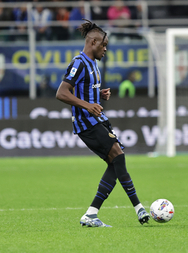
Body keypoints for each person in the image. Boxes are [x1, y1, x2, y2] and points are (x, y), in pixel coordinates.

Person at [56, 19, 150, 227]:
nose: (105, 49)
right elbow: (62, 93)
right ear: (93, 42)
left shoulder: (93, 65)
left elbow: (83, 89)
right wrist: (87, 105)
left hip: (97, 119)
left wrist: (98, 94)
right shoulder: (79, 63)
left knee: (115, 163)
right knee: (118, 156)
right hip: (87, 122)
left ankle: (91, 214)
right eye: (103, 45)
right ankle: (138, 207)